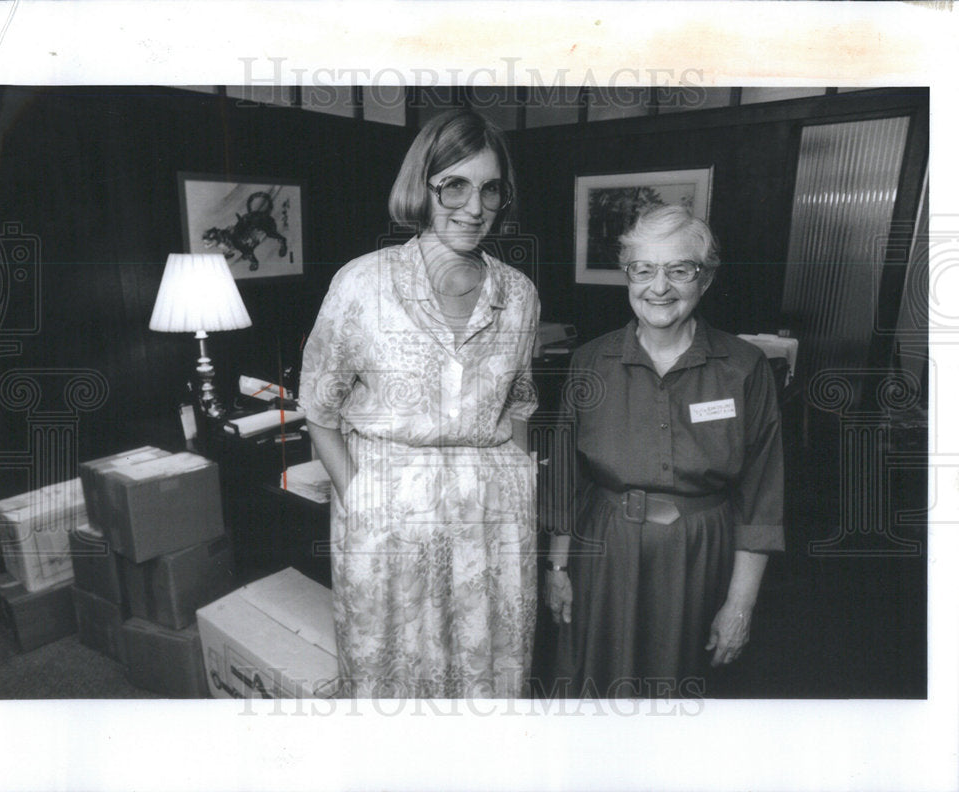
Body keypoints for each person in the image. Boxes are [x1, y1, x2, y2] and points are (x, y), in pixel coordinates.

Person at [299, 110, 540, 698]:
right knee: (392, 674)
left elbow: (520, 406)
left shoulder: (521, 294)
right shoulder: (362, 283)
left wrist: (522, 492)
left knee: (488, 674)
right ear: (421, 188)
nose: (473, 206)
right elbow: (319, 409)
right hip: (388, 511)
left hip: (493, 518)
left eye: (490, 188)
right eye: (453, 185)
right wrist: (359, 499)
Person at [546, 204, 784, 698]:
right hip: (603, 554)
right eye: (644, 269)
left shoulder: (744, 367)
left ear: (706, 279)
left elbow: (763, 496)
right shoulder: (590, 362)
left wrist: (740, 604)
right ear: (627, 276)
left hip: (700, 557)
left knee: (683, 694)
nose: (660, 287)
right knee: (597, 691)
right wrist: (557, 569)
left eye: (679, 270)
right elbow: (565, 478)